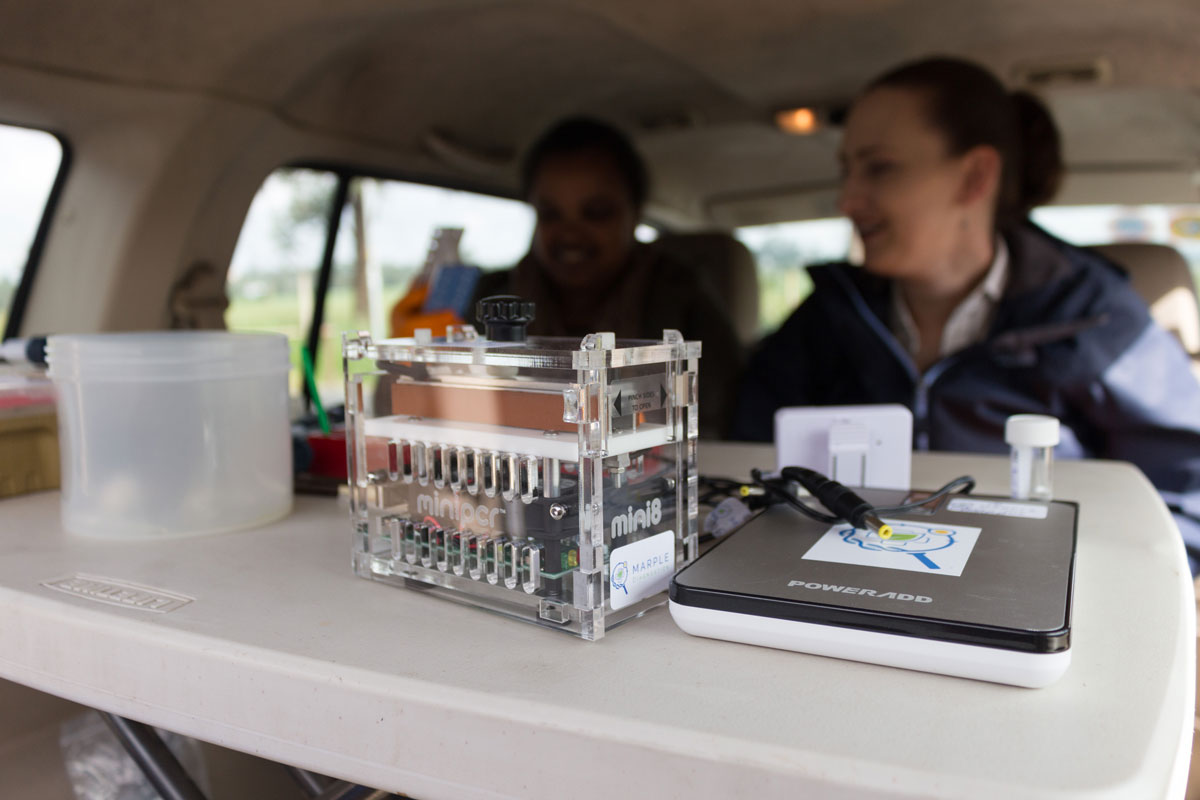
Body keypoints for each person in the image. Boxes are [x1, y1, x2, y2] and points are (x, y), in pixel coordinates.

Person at [731, 56, 1200, 571]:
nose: (846, 199)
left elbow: (1187, 500)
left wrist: (1073, 575)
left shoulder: (1094, 317)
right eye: (846, 171)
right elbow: (747, 470)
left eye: (879, 167)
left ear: (975, 176)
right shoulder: (825, 317)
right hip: (850, 584)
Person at [473, 116, 743, 438]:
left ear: (635, 214)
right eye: (551, 214)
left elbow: (713, 424)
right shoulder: (496, 298)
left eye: (597, 212)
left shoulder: (682, 299)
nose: (570, 233)